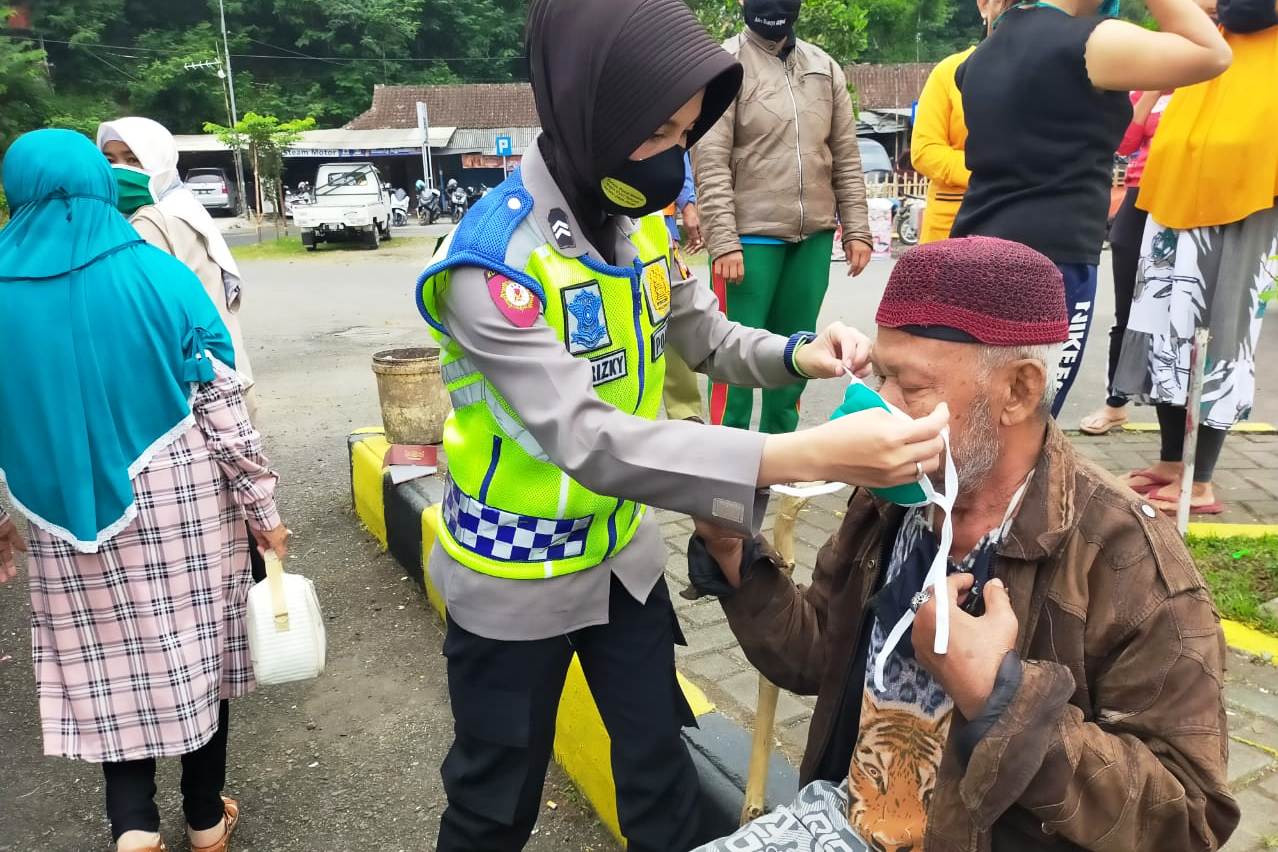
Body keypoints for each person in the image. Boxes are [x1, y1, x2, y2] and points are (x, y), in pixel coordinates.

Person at [413, 1, 949, 848]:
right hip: (513, 580)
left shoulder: (637, 227)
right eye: (659, 133)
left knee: (659, 774)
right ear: (592, 109)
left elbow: (703, 335)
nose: (678, 160)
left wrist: (804, 352)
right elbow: (588, 438)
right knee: (492, 800)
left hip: (621, 565)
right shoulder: (492, 265)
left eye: (688, 132)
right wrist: (795, 453)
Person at [689, 237, 1238, 852]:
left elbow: (1188, 821)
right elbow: (819, 655)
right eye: (881, 376)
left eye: (910, 387)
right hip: (841, 824)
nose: (879, 410)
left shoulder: (1125, 556)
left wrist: (1001, 698)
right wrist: (735, 557)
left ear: (1018, 391)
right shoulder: (896, 496)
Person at [0, 130, 289, 852]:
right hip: (182, 506)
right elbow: (223, 412)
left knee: (105, 660)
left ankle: (132, 827)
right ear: (98, 183)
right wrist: (265, 515)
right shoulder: (158, 277)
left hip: (58, 514)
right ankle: (201, 817)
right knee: (199, 652)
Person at [952, 0, 1231, 416]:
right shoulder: (1089, 44)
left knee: (973, 412)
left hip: (972, 246)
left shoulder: (980, 56)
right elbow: (1213, 53)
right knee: (1027, 420)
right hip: (1052, 259)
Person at [1113, 0, 1278, 515]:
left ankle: (1201, 478)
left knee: (1223, 336)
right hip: (1173, 193)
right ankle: (1170, 461)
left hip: (1250, 199)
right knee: (1164, 325)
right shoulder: (1208, 36)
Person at [97, 116, 268, 584]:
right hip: (227, 378)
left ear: (160, 161)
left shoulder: (154, 221)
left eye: (133, 160)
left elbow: (140, 313)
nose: (120, 171)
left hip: (195, 387)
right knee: (242, 506)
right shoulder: (183, 207)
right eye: (109, 160)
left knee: (219, 516)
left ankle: (247, 621)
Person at [693, 0, 873, 435]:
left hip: (812, 237)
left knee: (797, 355)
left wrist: (858, 229)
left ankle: (782, 456)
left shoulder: (824, 67)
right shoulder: (723, 66)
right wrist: (724, 240)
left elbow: (846, 156)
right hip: (749, 240)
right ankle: (725, 465)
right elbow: (710, 160)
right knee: (732, 363)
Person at [1079, 89, 1170, 435]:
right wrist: (1152, 91)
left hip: (1183, 195)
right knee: (1126, 311)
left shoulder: (1204, 85)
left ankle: (1178, 415)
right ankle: (1115, 403)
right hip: (1138, 194)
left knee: (1177, 313)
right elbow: (1125, 143)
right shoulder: (1142, 92)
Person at [910, 0, 990, 244]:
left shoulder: (1044, 72)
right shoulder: (949, 72)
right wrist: (989, 172)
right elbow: (924, 152)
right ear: (984, 5)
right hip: (951, 222)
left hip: (1021, 219)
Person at [662, 151, 709, 421]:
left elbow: (676, 152)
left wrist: (688, 205)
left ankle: (685, 415)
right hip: (609, 219)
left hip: (660, 223)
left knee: (671, 316)